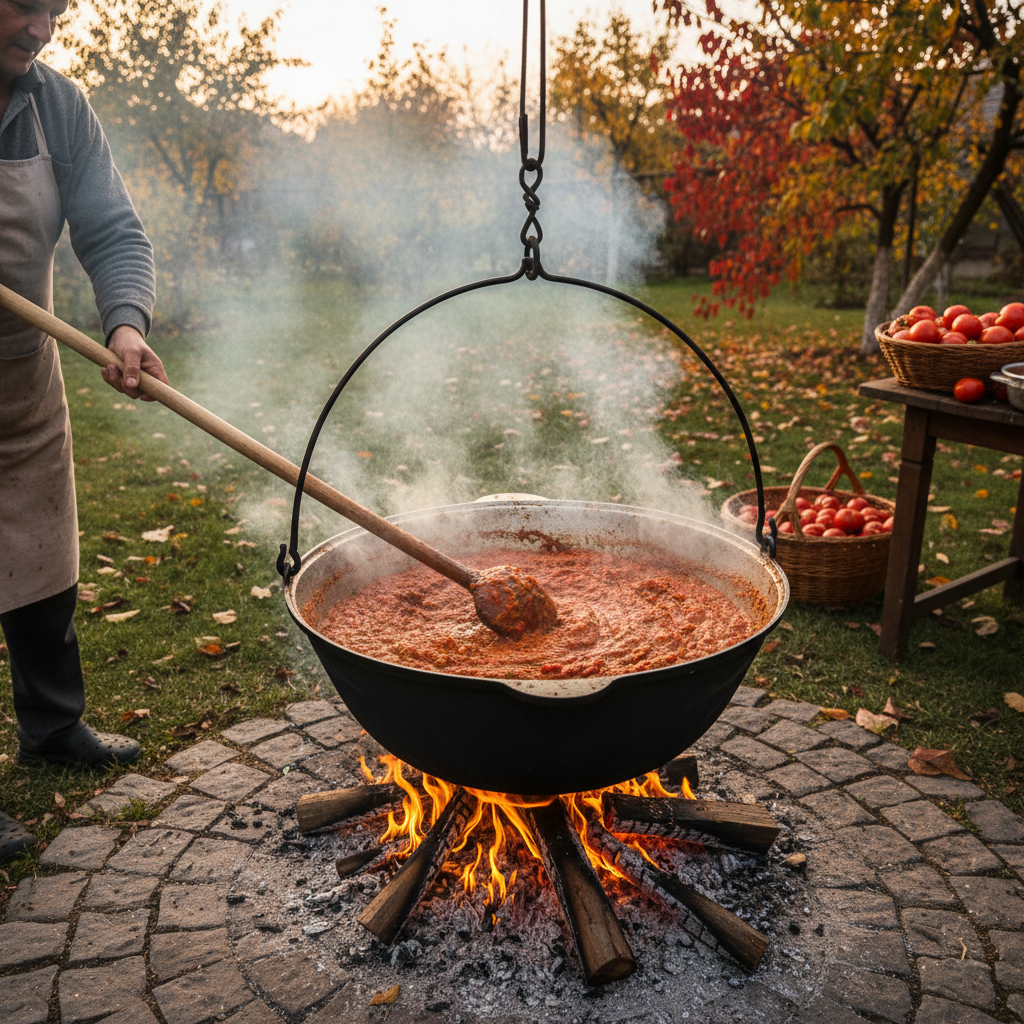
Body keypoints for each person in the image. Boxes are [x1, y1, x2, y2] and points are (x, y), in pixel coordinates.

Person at [0, 0, 170, 860]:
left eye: (54, 11)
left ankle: (53, 726)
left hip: (20, 380)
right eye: (24, 6)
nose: (41, 29)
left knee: (42, 558)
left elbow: (109, 228)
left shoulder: (56, 107)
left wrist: (126, 325)